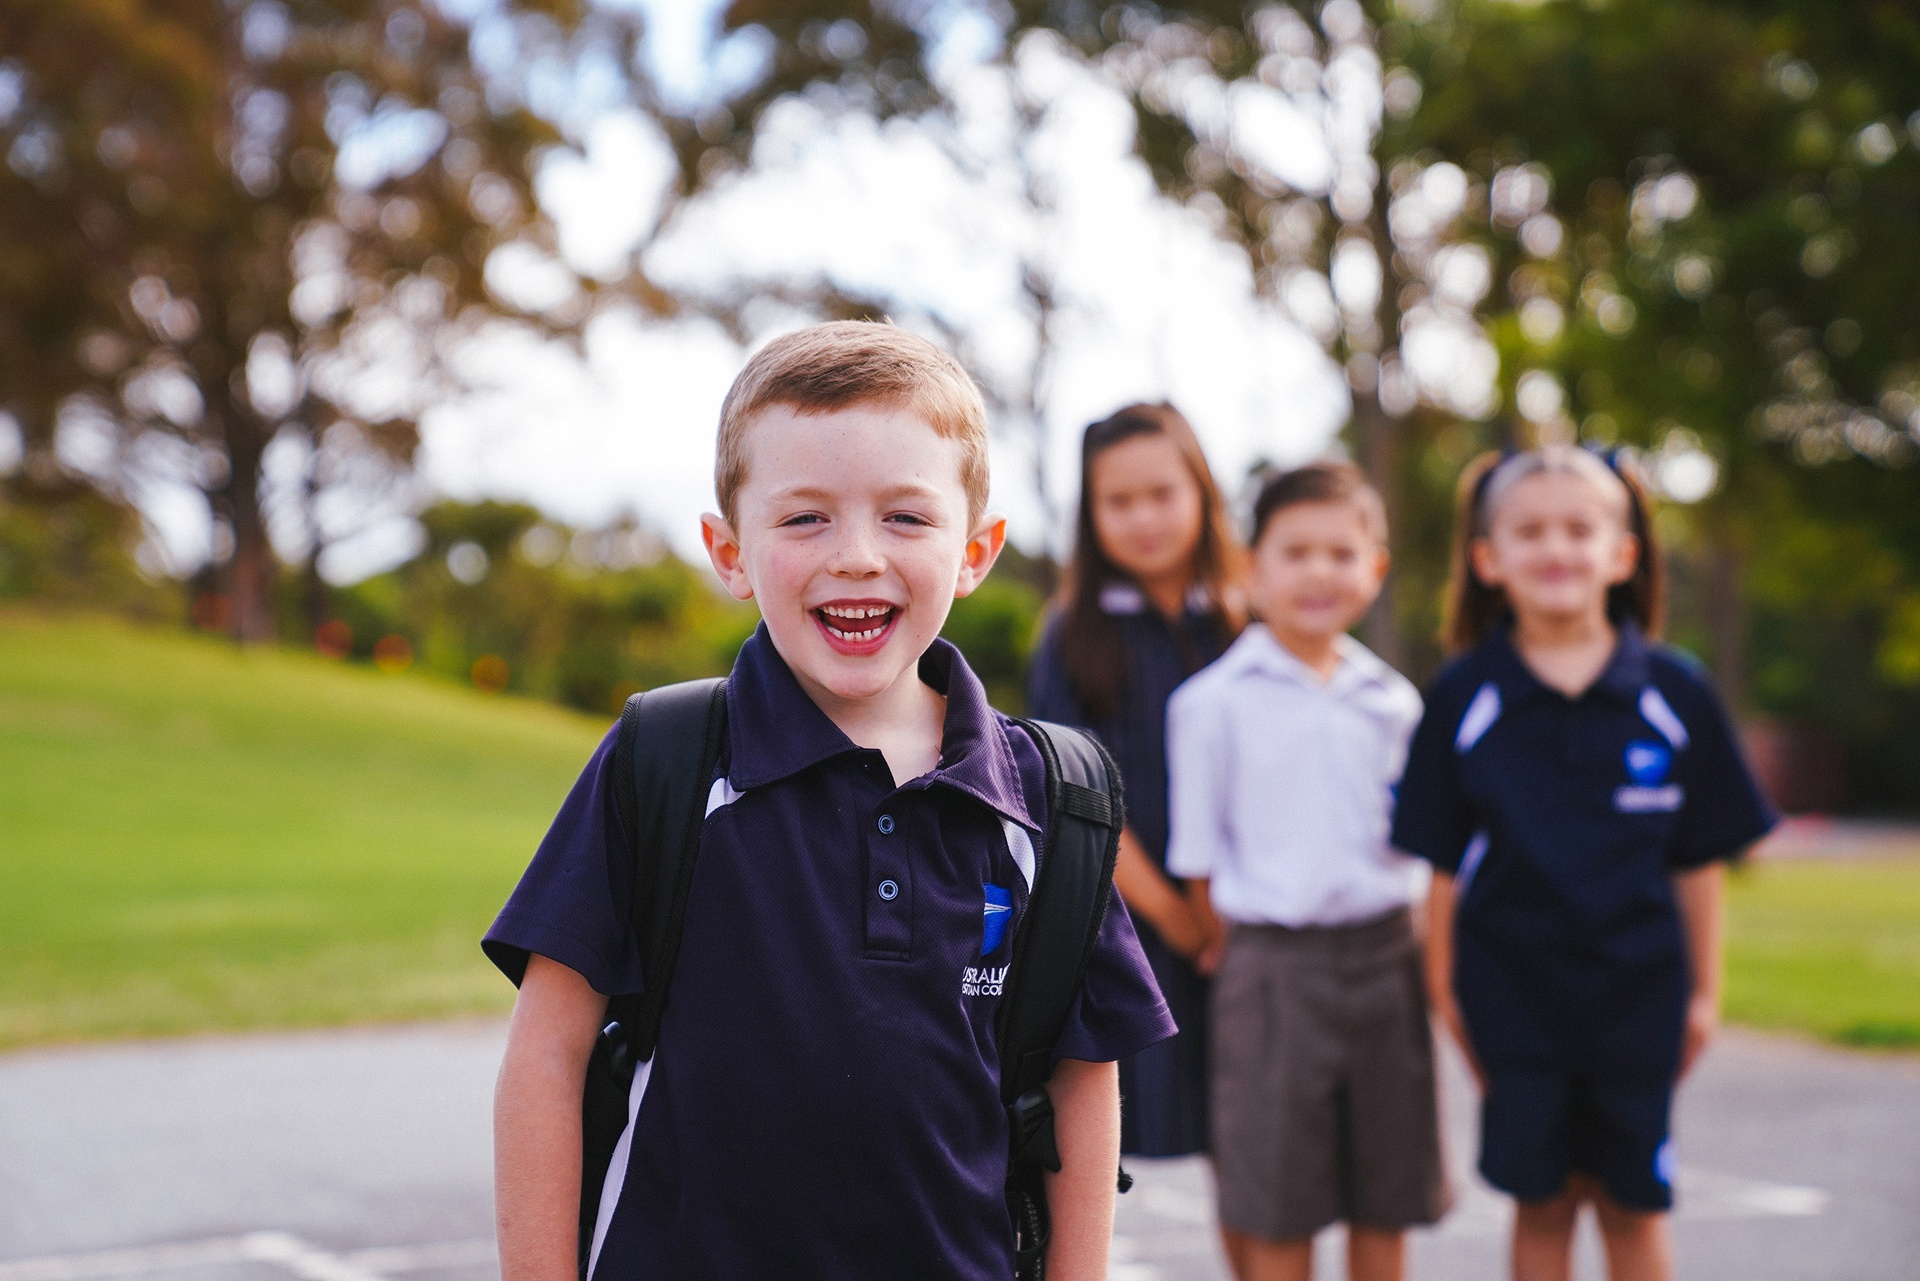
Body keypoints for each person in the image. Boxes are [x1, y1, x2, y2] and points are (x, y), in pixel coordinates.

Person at [486, 322, 1177, 1281]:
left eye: (906, 517)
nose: (856, 556)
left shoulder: (1052, 799)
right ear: (729, 551)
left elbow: (1080, 1079)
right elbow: (548, 1053)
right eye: (805, 517)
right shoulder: (665, 759)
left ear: (976, 549)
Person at [1392, 447, 1777, 1281]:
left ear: (1623, 552)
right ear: (1488, 559)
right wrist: (1451, 1000)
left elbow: (1699, 863)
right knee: (1543, 1204)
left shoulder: (1676, 695)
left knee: (1634, 1206)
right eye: (1529, 530)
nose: (1555, 547)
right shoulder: (1462, 699)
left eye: (1579, 527)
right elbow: (1443, 874)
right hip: (1515, 1013)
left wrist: (1704, 997)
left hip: (1639, 1010)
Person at [1166, 463, 1448, 1281]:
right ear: (1252, 568)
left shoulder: (1395, 704)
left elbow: (1418, 845)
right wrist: (1234, 946)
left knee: (1385, 1193)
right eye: (1295, 551)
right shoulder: (1210, 704)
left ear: (1376, 569)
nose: (1319, 570)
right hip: (1271, 965)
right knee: (1277, 1197)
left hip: (1388, 959)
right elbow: (1200, 860)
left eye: (1340, 551)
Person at [1026, 402, 1245, 1158]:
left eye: (1162, 494)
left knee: (1256, 1153)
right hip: (1136, 925)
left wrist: (1225, 918)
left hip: (1255, 923)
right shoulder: (1071, 636)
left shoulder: (1250, 619)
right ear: (1090, 513)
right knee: (1120, 1136)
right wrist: (1186, 923)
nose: (1144, 517)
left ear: (1202, 492)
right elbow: (1076, 803)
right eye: (1119, 501)